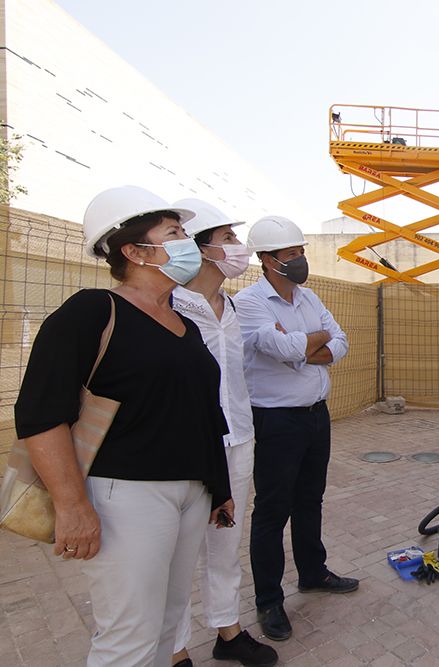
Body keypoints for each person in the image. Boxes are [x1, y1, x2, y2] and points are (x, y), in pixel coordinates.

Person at [14, 185, 235, 666]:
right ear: (134, 251)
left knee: (165, 623)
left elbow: (203, 415)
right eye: (175, 234)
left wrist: (218, 489)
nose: (188, 245)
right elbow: (40, 415)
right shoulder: (92, 311)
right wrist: (72, 505)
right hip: (125, 496)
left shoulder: (185, 324)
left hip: (190, 492)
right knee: (128, 635)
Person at [234, 215, 357, 642]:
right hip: (275, 420)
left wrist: (307, 343)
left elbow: (339, 343)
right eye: (291, 254)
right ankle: (269, 600)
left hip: (314, 416)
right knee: (272, 510)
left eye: (301, 251)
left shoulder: (309, 298)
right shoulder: (248, 302)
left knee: (310, 500)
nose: (300, 259)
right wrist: (310, 344)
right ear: (267, 260)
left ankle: (313, 573)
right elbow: (281, 348)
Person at [169, 200, 278, 667]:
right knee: (176, 553)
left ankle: (227, 631)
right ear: (201, 248)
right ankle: (172, 650)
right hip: (190, 448)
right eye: (229, 239)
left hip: (239, 439)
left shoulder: (230, 305)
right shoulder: (172, 306)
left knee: (225, 544)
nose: (239, 248)